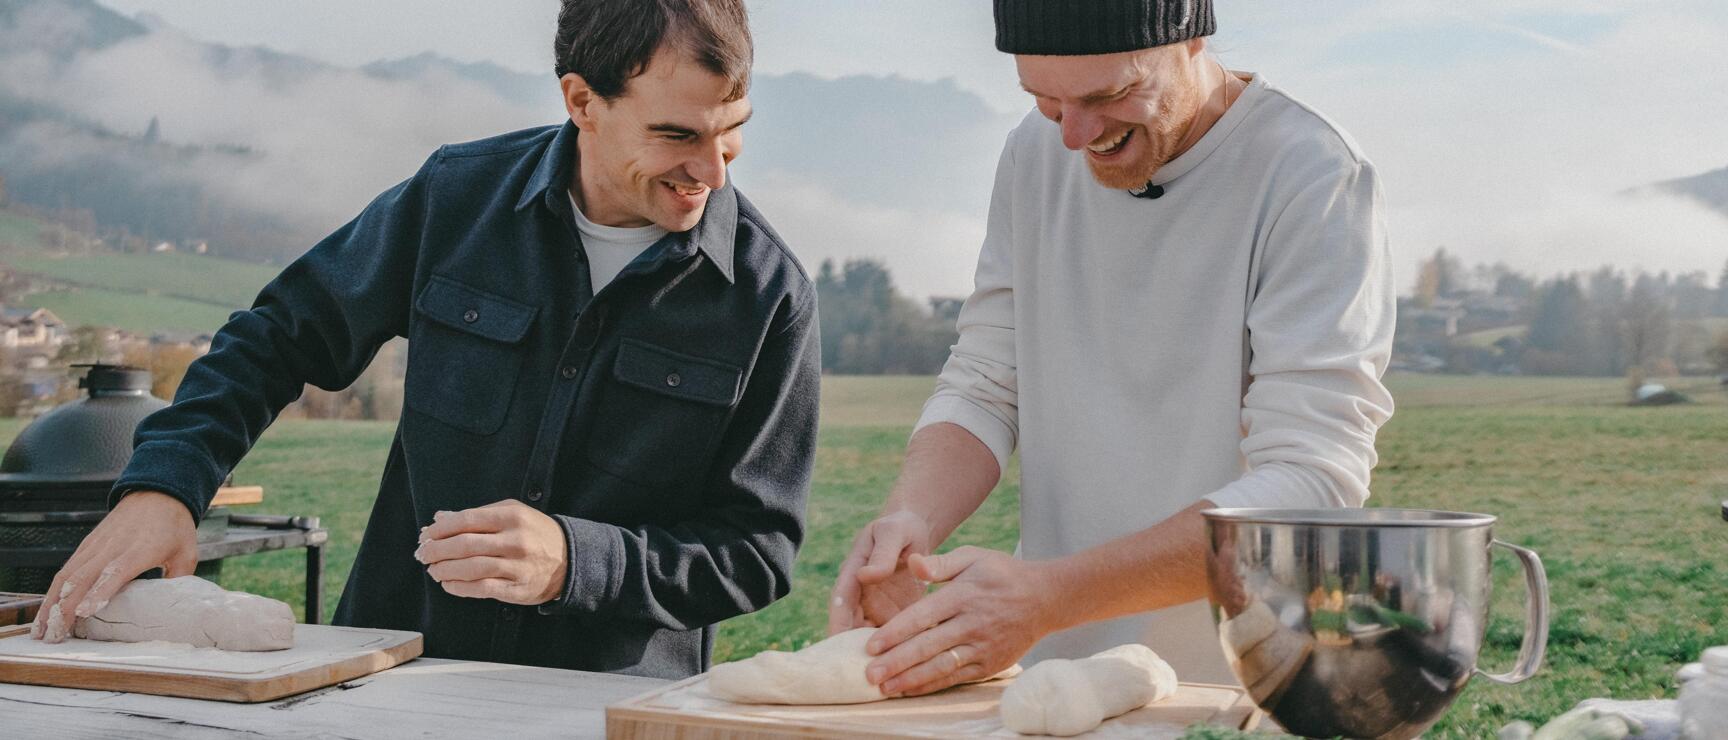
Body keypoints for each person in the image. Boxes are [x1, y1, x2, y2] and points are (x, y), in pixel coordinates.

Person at [32, 0, 819, 680]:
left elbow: (756, 550)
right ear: (582, 100)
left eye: (733, 134)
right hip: (391, 674)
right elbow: (274, 337)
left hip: (604, 706)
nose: (711, 173)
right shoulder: (455, 199)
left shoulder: (770, 298)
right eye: (678, 134)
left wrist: (579, 564)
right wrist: (165, 487)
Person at [829, 0, 1395, 695]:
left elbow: (1310, 485)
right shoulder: (1032, 155)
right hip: (1051, 683)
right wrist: (910, 516)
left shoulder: (1312, 175)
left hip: (1241, 687)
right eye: (1044, 99)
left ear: (1191, 39)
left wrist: (1048, 597)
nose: (1074, 136)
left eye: (1110, 95)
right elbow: (985, 382)